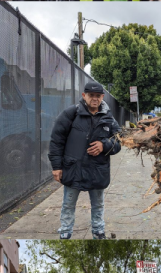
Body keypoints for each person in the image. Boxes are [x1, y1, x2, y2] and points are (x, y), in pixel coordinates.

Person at [48, 81, 122, 239]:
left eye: (98, 96)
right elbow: (56, 140)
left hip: (98, 170)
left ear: (102, 97)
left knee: (98, 204)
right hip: (74, 169)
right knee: (68, 204)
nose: (94, 99)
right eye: (91, 95)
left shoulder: (109, 118)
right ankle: (65, 232)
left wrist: (104, 145)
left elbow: (119, 140)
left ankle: (98, 231)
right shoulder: (71, 113)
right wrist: (56, 167)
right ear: (84, 96)